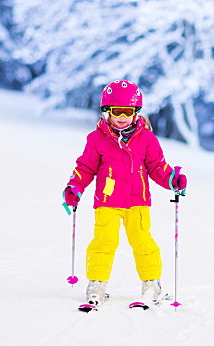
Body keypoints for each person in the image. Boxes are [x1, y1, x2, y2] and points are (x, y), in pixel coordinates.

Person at [62, 80, 187, 307]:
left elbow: (157, 166)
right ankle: (97, 283)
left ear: (136, 112)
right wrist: (75, 186)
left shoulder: (147, 139)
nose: (122, 117)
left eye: (127, 112)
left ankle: (152, 284)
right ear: (106, 111)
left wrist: (172, 179)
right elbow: (86, 167)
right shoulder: (97, 139)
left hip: (137, 202)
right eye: (116, 111)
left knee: (142, 242)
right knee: (103, 242)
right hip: (107, 202)